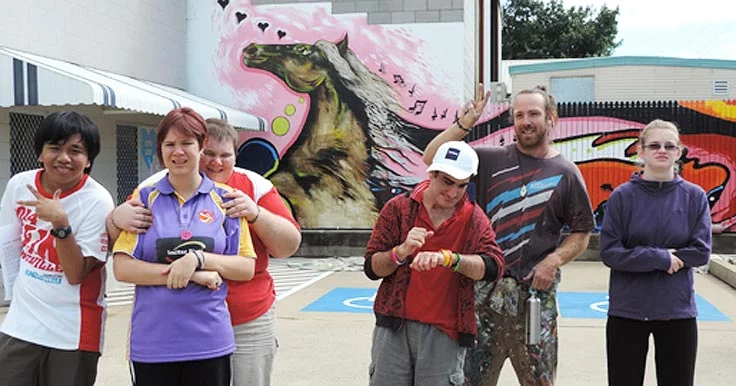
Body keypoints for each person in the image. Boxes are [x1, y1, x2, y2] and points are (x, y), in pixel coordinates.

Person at [423, 85, 596, 386]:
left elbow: (581, 234)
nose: (526, 121)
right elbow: (431, 158)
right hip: (484, 298)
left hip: (535, 301)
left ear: (551, 118)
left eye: (533, 113)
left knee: (538, 381)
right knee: (470, 381)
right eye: (519, 115)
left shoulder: (566, 173)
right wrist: (464, 124)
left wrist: (553, 260)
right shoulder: (490, 160)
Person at [108, 118, 301, 386]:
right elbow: (122, 251)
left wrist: (255, 213)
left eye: (226, 155)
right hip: (170, 327)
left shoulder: (252, 187)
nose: (216, 162)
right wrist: (114, 218)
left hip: (245, 318)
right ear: (200, 150)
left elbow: (288, 245)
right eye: (210, 154)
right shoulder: (152, 190)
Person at [364, 141, 505, 386]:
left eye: (462, 185)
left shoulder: (473, 218)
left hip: (445, 333)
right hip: (394, 327)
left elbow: (494, 266)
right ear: (432, 174)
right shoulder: (399, 209)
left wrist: (451, 259)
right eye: (447, 182)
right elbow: (371, 268)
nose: (453, 193)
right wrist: (400, 252)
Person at [0, 111, 114, 386]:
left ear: (88, 161)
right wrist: (17, 298)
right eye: (54, 148)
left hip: (73, 330)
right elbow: (11, 247)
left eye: (76, 151)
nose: (64, 158)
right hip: (21, 325)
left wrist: (60, 223)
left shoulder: (97, 201)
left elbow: (76, 275)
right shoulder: (19, 185)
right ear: (40, 153)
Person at [600, 119, 711, 386]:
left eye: (669, 145)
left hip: (677, 311)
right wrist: (660, 258)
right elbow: (610, 253)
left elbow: (700, 252)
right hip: (628, 311)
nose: (662, 150)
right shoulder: (622, 197)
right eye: (654, 145)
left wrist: (639, 255)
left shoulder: (694, 197)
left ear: (679, 151)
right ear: (641, 151)